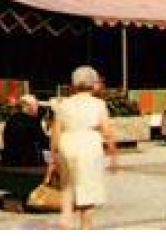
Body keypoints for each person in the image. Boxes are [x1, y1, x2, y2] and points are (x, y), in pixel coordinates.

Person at [50, 65, 118, 230]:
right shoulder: (98, 104)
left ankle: (65, 224)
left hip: (67, 143)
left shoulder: (63, 104)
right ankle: (85, 230)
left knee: (67, 190)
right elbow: (107, 131)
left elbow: (55, 132)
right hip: (88, 145)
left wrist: (53, 158)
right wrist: (113, 156)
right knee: (88, 193)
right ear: (93, 83)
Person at [1, 94, 50, 169]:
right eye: (36, 105)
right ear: (29, 107)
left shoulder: (13, 119)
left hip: (9, 158)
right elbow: (42, 140)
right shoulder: (30, 122)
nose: (38, 108)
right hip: (26, 160)